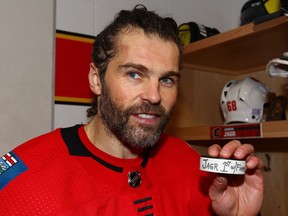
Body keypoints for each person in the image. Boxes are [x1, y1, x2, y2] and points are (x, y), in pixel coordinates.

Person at [0, 5, 263, 216]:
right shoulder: (23, 185)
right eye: (135, 74)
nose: (154, 95)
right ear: (96, 79)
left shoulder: (197, 171)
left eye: (167, 79)